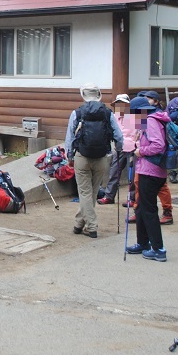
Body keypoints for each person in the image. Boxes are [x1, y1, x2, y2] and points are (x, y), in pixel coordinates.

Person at [65, 83, 123, 238]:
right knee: (93, 192)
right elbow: (118, 136)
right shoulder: (108, 113)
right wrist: (119, 148)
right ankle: (78, 223)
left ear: (83, 95)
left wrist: (69, 156)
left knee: (84, 193)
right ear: (99, 95)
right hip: (102, 157)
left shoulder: (77, 113)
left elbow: (70, 137)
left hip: (82, 156)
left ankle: (92, 227)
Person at [126, 93, 170, 261]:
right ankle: (143, 243)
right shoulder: (153, 119)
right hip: (151, 170)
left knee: (149, 209)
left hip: (150, 171)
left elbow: (158, 145)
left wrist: (140, 151)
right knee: (140, 207)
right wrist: (139, 141)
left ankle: (158, 249)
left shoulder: (151, 121)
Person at [98, 94, 136, 205]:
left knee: (132, 175)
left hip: (134, 149)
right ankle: (109, 196)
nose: (120, 106)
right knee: (113, 172)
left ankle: (132, 198)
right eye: (118, 104)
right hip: (119, 148)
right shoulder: (114, 116)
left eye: (123, 104)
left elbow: (141, 133)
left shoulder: (136, 116)